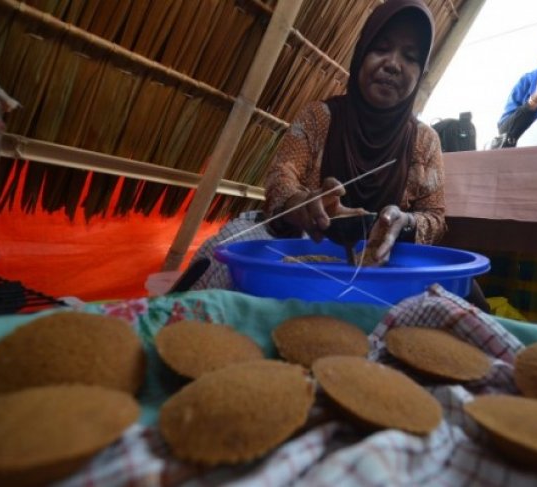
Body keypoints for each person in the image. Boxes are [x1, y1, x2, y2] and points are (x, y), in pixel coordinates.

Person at [179, 0, 489, 311]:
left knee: (462, 296)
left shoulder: (424, 141)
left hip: (381, 259)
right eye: (381, 48)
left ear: (420, 71)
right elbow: (280, 177)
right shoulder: (319, 117)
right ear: (361, 53)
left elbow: (434, 217)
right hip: (300, 246)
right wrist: (303, 204)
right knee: (226, 247)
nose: (394, 64)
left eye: (410, 57)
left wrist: (403, 223)